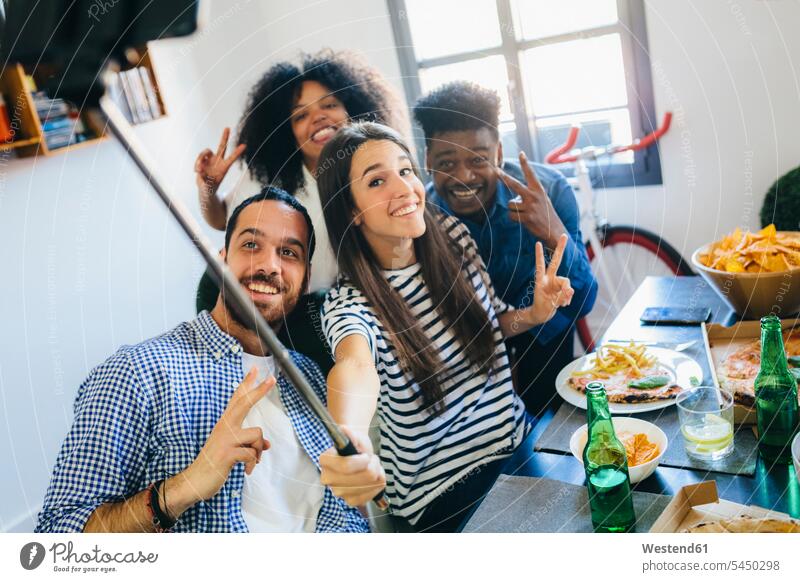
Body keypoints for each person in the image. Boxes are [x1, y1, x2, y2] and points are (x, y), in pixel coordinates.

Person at [35, 188, 377, 533]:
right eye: (251, 245)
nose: (269, 265)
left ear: (304, 280)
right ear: (220, 261)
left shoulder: (313, 378)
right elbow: (55, 543)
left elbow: (348, 511)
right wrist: (184, 487)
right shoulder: (136, 372)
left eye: (288, 252)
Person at [315, 122, 574, 532]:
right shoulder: (349, 304)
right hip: (440, 495)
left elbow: (493, 324)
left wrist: (536, 313)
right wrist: (350, 437)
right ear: (351, 210)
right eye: (377, 181)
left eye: (405, 171)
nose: (403, 189)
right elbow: (355, 368)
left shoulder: (453, 236)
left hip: (516, 447)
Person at [193, 49, 409, 372]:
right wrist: (207, 188)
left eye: (330, 105)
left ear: (354, 109)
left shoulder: (377, 172)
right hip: (243, 293)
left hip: (321, 306)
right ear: (287, 133)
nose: (318, 117)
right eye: (300, 115)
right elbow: (221, 218)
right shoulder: (269, 174)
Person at [413, 81, 598, 416]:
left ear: (498, 153)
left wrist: (553, 231)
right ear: (427, 160)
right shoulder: (421, 217)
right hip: (467, 340)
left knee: (549, 424)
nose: (463, 176)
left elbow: (585, 301)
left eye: (478, 159)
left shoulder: (550, 191)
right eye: (447, 163)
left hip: (543, 332)